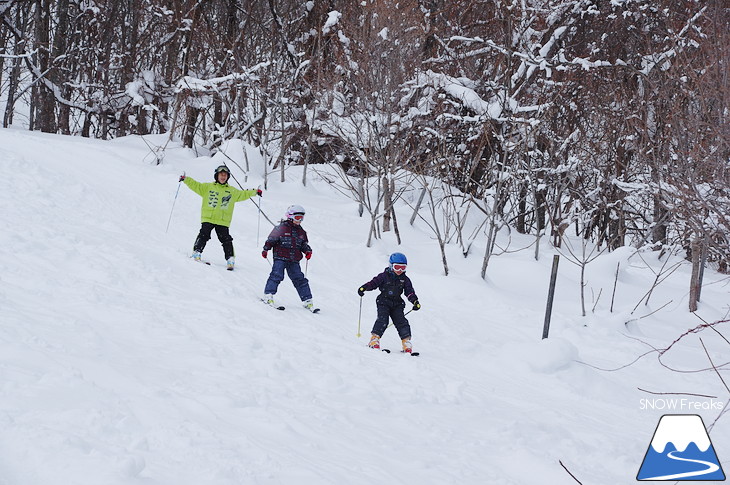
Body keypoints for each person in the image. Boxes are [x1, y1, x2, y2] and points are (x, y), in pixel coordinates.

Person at [179, 165, 261, 270]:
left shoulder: (232, 191)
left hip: (223, 220)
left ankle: (230, 259)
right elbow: (195, 185)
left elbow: (243, 194)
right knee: (204, 234)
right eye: (221, 175)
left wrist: (255, 192)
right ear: (216, 176)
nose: (223, 177)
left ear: (227, 177)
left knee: (226, 239)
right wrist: (186, 179)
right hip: (208, 217)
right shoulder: (207, 187)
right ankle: (197, 252)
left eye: (225, 175)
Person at [357, 252, 420, 353]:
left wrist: (414, 301)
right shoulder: (384, 276)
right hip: (383, 302)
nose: (400, 270)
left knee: (402, 322)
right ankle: (374, 339)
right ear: (391, 266)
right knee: (383, 320)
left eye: (403, 268)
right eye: (397, 267)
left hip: (397, 304)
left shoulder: (405, 279)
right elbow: (374, 283)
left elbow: (409, 291)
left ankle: (406, 342)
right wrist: (364, 287)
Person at [262, 205, 318, 312]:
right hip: (280, 257)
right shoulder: (281, 228)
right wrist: (266, 249)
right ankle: (268, 295)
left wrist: (307, 251)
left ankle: (307, 300)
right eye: (297, 218)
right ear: (290, 216)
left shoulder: (301, 232)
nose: (300, 220)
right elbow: (271, 240)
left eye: (302, 218)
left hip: (294, 259)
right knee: (277, 275)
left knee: (299, 279)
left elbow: (303, 244)